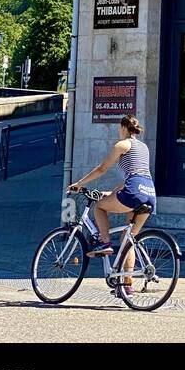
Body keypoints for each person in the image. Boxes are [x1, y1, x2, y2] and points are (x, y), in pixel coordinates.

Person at [69, 114, 156, 289]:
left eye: (119, 128)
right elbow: (134, 176)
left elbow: (102, 169)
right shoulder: (144, 147)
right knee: (129, 238)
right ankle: (126, 285)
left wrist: (79, 184)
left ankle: (105, 243)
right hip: (149, 192)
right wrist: (112, 192)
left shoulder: (122, 144)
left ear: (123, 128)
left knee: (99, 207)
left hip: (133, 191)